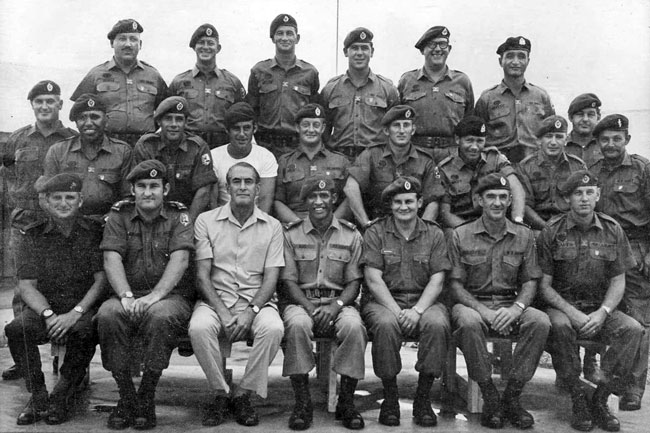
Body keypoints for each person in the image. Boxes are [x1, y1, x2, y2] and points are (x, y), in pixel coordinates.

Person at [537, 170, 643, 431]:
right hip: (562, 305)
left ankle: (600, 397)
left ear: (598, 195)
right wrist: (572, 313)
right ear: (567, 199)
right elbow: (544, 287)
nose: (583, 198)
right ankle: (576, 398)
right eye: (577, 193)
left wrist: (603, 312)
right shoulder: (552, 231)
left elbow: (619, 280)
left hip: (599, 307)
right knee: (560, 327)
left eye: (589, 193)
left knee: (632, 330)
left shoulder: (612, 229)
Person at [95, 160, 194, 430]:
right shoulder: (119, 215)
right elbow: (111, 258)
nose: (148, 192)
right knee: (108, 314)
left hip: (169, 297)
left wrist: (154, 297)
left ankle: (147, 394)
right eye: (142, 186)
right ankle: (126, 395)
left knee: (160, 317)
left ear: (166, 189)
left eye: (154, 186)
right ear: (132, 190)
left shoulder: (179, 216)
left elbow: (181, 259)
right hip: (128, 293)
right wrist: (126, 295)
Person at [448, 173, 551, 429]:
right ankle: (490, 395)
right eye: (490, 197)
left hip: (509, 303)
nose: (497, 202)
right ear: (479, 200)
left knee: (539, 321)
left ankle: (512, 397)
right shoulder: (460, 235)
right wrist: (484, 311)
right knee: (469, 322)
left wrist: (516, 309)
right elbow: (455, 286)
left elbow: (530, 282)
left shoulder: (524, 236)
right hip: (473, 303)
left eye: (503, 197)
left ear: (509, 201)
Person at [4, 173, 106, 425]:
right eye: (56, 198)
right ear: (46, 202)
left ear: (80, 200)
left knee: (84, 332)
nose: (63, 203)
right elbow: (27, 286)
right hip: (45, 307)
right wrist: (48, 315)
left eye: (69, 197)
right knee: (17, 329)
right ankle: (37, 395)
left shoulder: (93, 232)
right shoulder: (33, 234)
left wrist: (76, 313)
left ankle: (63, 395)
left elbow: (101, 280)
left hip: (82, 307)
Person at [189, 162, 284, 427]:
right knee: (199, 327)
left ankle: (244, 394)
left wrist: (250, 311)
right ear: (227, 187)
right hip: (215, 299)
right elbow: (202, 276)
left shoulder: (273, 226)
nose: (242, 187)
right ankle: (221, 393)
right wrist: (222, 311)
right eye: (236, 181)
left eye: (249, 182)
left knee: (274, 328)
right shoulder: (205, 221)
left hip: (257, 302)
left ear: (258, 188)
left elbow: (271, 278)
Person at [1, 80, 77, 382]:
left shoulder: (71, 138)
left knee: (64, 286)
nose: (45, 106)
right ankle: (24, 360)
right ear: (32, 105)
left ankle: (65, 357)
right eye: (39, 101)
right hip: (25, 224)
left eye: (50, 101)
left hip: (58, 226)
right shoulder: (18, 139)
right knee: (23, 289)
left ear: (60, 105)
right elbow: (8, 176)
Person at [361, 176, 450, 427]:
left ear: (420, 202)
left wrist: (418, 310)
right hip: (385, 301)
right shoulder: (376, 232)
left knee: (437, 324)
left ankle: (422, 399)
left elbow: (438, 279)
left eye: (409, 201)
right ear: (390, 205)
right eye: (398, 202)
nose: (404, 207)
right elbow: (373, 278)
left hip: (426, 300)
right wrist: (399, 312)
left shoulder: (434, 233)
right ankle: (390, 398)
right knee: (387, 325)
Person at [280, 177, 366, 430]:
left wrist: (336, 306)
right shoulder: (291, 234)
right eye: (312, 197)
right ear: (305, 201)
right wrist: (308, 306)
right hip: (301, 300)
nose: (319, 202)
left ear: (334, 199)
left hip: (338, 301)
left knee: (354, 327)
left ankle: (347, 402)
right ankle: (302, 402)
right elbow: (288, 280)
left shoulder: (350, 234)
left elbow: (354, 283)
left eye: (325, 196)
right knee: (296, 325)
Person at [589, 114, 650, 411]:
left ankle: (633, 388)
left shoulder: (643, 168)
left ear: (626, 139)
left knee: (639, 319)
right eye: (604, 140)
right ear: (597, 143)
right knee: (603, 311)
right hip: (602, 248)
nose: (610, 144)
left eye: (616, 138)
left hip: (637, 247)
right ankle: (597, 378)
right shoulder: (592, 171)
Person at [71, 18, 168, 146]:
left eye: (133, 39)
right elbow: (79, 110)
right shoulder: (96, 74)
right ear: (112, 43)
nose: (128, 44)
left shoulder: (153, 75)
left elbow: (167, 110)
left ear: (140, 45)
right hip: (107, 145)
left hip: (145, 145)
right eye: (122, 39)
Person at [344, 105, 442, 229]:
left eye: (406, 125)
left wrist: (422, 230)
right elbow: (350, 187)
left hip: (413, 226)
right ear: (386, 130)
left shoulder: (425, 160)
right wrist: (365, 223)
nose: (401, 131)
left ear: (413, 130)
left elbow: (433, 200)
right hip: (378, 225)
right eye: (396, 125)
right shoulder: (371, 155)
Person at [42, 94, 133, 220]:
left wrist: (111, 219)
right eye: (82, 118)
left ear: (106, 119)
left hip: (109, 224)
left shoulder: (122, 151)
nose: (89, 123)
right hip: (70, 224)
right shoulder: (58, 151)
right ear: (76, 122)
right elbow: (46, 195)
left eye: (95, 117)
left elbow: (129, 196)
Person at [132, 96, 217, 221]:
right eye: (168, 119)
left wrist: (187, 223)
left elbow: (203, 191)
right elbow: (143, 187)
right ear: (159, 121)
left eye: (179, 119)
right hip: (153, 214)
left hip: (189, 213)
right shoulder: (146, 146)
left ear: (186, 122)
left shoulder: (198, 147)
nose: (174, 124)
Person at [247, 14, 319, 158]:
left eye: (289, 33)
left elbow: (315, 112)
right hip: (265, 146)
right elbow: (251, 110)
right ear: (272, 38)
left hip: (298, 146)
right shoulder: (259, 71)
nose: (285, 38)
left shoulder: (310, 72)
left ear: (297, 38)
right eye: (280, 33)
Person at [321, 27, 399, 160]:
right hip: (339, 159)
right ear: (346, 52)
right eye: (354, 48)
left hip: (375, 161)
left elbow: (396, 128)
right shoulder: (331, 88)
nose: (359, 53)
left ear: (372, 52)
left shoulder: (387, 89)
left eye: (364, 48)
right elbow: (323, 130)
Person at [398, 26, 474, 162]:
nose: (438, 49)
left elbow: (469, 121)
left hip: (453, 154)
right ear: (423, 50)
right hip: (416, 153)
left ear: (449, 49)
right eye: (432, 44)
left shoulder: (462, 81)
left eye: (442, 44)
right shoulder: (407, 81)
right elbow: (397, 120)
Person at [474, 36, 554, 163]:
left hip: (535, 164)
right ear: (501, 61)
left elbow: (551, 132)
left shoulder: (541, 96)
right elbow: (477, 136)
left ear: (528, 61)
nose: (516, 62)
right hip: (498, 164)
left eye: (521, 56)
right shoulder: (487, 99)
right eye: (510, 56)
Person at [438, 115, 525, 229]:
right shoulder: (445, 169)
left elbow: (517, 189)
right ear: (458, 139)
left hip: (495, 222)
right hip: (462, 226)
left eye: (479, 141)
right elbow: (446, 213)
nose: (474, 147)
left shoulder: (495, 159)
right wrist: (469, 232)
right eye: (469, 140)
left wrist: (517, 220)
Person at [169, 24, 246, 149]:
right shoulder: (179, 82)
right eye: (201, 43)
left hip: (223, 144)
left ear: (218, 48)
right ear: (194, 47)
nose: (205, 47)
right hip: (188, 145)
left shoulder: (233, 82)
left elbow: (243, 116)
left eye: (210, 43)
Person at [275, 103, 351, 224]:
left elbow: (349, 199)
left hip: (332, 227)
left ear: (323, 128)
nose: (311, 130)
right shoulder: (284, 161)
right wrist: (299, 225)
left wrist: (332, 224)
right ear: (297, 127)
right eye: (305, 125)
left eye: (316, 125)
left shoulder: (340, 161)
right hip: (294, 227)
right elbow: (278, 201)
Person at [517, 115, 586, 231]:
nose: (553, 142)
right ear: (539, 140)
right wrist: (547, 229)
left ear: (566, 140)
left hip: (569, 227)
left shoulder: (578, 166)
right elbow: (525, 206)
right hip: (537, 228)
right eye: (548, 136)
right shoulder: (526, 166)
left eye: (559, 137)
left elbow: (582, 202)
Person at [209, 102, 277, 213]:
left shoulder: (266, 157)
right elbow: (213, 203)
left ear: (254, 129)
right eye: (236, 128)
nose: (241, 134)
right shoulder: (214, 157)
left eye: (246, 128)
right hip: (222, 220)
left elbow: (265, 201)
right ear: (227, 130)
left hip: (256, 221)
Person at [565, 93, 602, 168]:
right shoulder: (561, 146)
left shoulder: (605, 145)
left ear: (598, 117)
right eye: (580, 114)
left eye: (590, 114)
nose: (585, 119)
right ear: (570, 117)